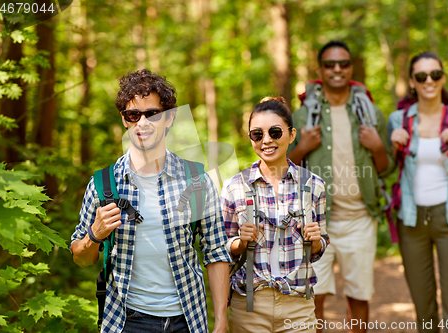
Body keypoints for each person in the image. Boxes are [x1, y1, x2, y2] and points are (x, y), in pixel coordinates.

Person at [70, 69, 231, 333]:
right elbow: (81, 259)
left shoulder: (196, 179)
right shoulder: (104, 184)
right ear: (124, 120)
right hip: (126, 321)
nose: (142, 123)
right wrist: (94, 235)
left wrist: (221, 322)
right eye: (134, 115)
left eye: (152, 114)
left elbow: (215, 253)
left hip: (187, 319)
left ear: (169, 118)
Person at [288, 40, 394, 333]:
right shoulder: (301, 117)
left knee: (358, 296)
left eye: (343, 64)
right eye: (330, 64)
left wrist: (377, 148)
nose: (337, 69)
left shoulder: (371, 114)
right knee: (314, 296)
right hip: (315, 222)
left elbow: (387, 167)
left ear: (351, 68)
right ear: (320, 70)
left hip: (360, 220)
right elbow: (281, 168)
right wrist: (302, 148)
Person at [388, 52, 448, 333]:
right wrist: (393, 146)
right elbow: (385, 169)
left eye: (435, 74)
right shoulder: (398, 120)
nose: (429, 81)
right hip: (411, 219)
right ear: (412, 82)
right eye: (421, 76)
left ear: (443, 77)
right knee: (423, 308)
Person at [221, 96, 329, 333]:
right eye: (257, 134)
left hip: (299, 306)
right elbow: (222, 249)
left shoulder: (314, 185)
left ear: (291, 135)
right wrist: (240, 242)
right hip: (249, 306)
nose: (266, 140)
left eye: (275, 132)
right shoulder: (233, 187)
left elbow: (320, 246)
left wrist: (316, 241)